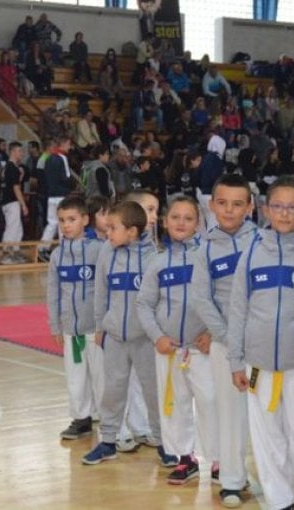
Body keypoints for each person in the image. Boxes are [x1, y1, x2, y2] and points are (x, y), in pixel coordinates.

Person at [228, 176, 294, 510]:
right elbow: (238, 309)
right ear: (266, 208)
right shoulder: (250, 252)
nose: (284, 213)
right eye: (278, 206)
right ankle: (280, 501)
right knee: (267, 439)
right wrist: (236, 360)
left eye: (292, 207)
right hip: (258, 365)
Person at [83, 198, 174, 467]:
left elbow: (160, 301)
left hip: (146, 340)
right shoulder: (106, 254)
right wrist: (101, 326)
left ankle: (163, 443)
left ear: (132, 231)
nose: (108, 233)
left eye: (113, 228)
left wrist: (158, 334)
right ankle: (108, 441)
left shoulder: (153, 258)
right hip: (114, 338)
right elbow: (101, 292)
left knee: (152, 392)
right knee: (112, 391)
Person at [136, 197, 219, 485]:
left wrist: (212, 333)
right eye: (175, 217)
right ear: (165, 221)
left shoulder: (207, 257)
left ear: (198, 224)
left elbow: (220, 298)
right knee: (175, 403)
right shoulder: (157, 263)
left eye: (188, 218)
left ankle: (219, 459)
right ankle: (185, 458)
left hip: (203, 349)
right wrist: (157, 337)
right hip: (169, 350)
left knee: (210, 401)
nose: (181, 223)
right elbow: (144, 304)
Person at [190, 174, 257, 507]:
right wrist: (226, 336)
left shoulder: (262, 240)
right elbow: (202, 298)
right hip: (224, 343)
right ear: (212, 205)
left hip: (261, 343)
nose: (229, 210)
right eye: (223, 203)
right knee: (229, 411)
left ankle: (278, 479)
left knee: (268, 415)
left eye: (238, 203)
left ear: (250, 206)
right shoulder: (204, 248)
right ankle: (231, 479)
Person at [46, 196, 104, 440]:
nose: (66, 225)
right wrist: (55, 325)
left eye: (72, 219)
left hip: (97, 329)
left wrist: (104, 324)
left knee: (102, 376)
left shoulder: (100, 250)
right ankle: (81, 418)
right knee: (75, 376)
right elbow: (53, 292)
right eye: (62, 220)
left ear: (85, 220)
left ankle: (110, 419)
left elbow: (105, 290)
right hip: (71, 328)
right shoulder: (57, 256)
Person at [38, 135, 76, 262]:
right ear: (64, 143)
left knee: (52, 223)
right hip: (62, 196)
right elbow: (66, 177)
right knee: (63, 224)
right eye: (69, 144)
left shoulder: (48, 158)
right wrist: (74, 185)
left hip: (51, 196)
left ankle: (42, 248)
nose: (69, 148)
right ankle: (64, 251)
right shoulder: (62, 158)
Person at [0, 141, 29, 265]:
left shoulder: (9, 167)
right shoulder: (11, 167)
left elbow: (14, 183)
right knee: (12, 227)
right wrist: (23, 204)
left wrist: (20, 175)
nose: (21, 153)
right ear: (13, 152)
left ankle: (15, 250)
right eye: (19, 151)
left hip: (9, 200)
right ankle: (6, 253)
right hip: (11, 201)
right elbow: (15, 187)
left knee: (17, 227)